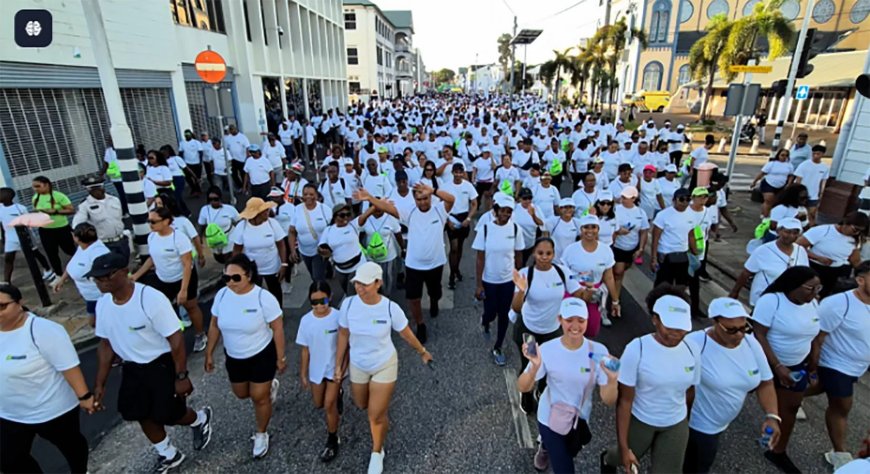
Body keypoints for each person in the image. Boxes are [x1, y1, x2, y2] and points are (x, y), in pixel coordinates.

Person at [90, 253, 213, 473]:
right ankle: (169, 454)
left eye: (106, 276)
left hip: (161, 364)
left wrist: (181, 376)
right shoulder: (102, 305)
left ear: (124, 272)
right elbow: (105, 345)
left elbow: (175, 339)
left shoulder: (150, 299)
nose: (101, 282)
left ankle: (200, 419)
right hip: (132, 368)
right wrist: (100, 383)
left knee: (170, 414)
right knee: (139, 413)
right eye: (97, 278)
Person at [333, 262, 433, 474]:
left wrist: (422, 351)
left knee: (375, 415)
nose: (359, 288)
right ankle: (378, 407)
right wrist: (338, 365)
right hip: (358, 364)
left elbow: (406, 334)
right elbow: (343, 334)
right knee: (361, 403)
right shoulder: (348, 305)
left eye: (365, 284)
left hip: (384, 364)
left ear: (378, 283)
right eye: (357, 283)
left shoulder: (390, 308)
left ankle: (377, 452)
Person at [601, 286, 701, 474]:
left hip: (675, 422)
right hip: (642, 419)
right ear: (655, 320)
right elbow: (624, 401)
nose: (675, 333)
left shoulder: (692, 349)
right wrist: (624, 447)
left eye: (681, 328)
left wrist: (684, 424)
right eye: (669, 327)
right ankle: (607, 459)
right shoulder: (636, 349)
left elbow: (690, 391)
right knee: (621, 458)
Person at [0, 284, 96, 474]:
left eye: (2, 306)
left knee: (71, 445)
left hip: (52, 410)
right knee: (9, 460)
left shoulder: (43, 330)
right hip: (11, 413)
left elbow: (68, 366)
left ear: (19, 303)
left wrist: (84, 396)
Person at [517, 297, 618, 474]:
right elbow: (523, 387)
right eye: (569, 320)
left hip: (579, 418)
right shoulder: (547, 349)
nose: (575, 326)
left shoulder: (598, 351)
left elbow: (608, 400)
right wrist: (534, 367)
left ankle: (545, 447)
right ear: (560, 320)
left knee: (571, 450)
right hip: (549, 417)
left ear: (587, 320)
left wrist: (612, 380)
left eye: (581, 320)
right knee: (564, 467)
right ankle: (547, 445)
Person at [682, 297, 780, 473]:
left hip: (722, 423)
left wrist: (772, 416)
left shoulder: (751, 343)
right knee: (698, 466)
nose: (739, 335)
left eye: (744, 328)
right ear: (715, 323)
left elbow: (766, 383)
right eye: (732, 330)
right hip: (699, 424)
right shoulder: (695, 343)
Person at [204, 254, 285, 459]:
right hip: (234, 357)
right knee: (241, 394)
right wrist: (209, 353)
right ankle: (268, 387)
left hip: (261, 354)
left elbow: (277, 328)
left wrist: (280, 357)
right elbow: (214, 325)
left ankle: (261, 433)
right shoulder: (222, 296)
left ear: (248, 275)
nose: (230, 282)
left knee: (259, 398)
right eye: (226, 278)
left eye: (236, 278)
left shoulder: (263, 298)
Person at [354, 182, 455, 344]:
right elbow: (388, 208)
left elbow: (451, 199)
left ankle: (434, 301)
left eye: (425, 198)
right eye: (419, 199)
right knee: (413, 298)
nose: (423, 202)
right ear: (414, 200)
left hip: (436, 264)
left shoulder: (439, 210)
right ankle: (420, 324)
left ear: (430, 197)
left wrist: (433, 190)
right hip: (414, 265)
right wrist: (370, 198)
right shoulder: (409, 212)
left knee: (435, 292)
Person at [751, 266, 822, 473]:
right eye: (810, 288)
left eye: (818, 288)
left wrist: (813, 363)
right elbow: (759, 334)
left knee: (790, 407)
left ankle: (777, 451)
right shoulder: (771, 301)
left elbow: (813, 335)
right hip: (765, 363)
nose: (814, 293)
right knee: (734, 396)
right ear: (793, 286)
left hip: (796, 365)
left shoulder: (813, 304)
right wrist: (777, 366)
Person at [511, 237, 584, 413]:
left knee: (550, 364)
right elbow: (516, 307)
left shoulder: (562, 272)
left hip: (552, 331)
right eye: (540, 253)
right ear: (534, 253)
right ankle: (526, 394)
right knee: (530, 364)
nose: (544, 257)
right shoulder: (525, 274)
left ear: (553, 254)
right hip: (529, 331)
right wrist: (521, 291)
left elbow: (579, 293)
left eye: (548, 253)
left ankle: (542, 390)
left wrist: (589, 290)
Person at [810, 261, 870, 466]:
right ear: (860, 280)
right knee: (842, 406)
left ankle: (784, 396)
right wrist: (813, 368)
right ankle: (839, 454)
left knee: (817, 388)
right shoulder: (838, 304)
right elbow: (817, 337)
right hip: (835, 363)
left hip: (858, 366)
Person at [131, 206, 207, 352]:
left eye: (153, 221)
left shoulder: (179, 238)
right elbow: (152, 259)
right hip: (163, 279)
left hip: (183, 278)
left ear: (166, 221)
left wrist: (183, 290)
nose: (150, 224)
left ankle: (200, 334)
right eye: (149, 221)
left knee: (191, 307)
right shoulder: (152, 237)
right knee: (163, 310)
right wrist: (137, 275)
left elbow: (187, 264)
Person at [472, 194, 525, 366]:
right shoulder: (485, 229)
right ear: (495, 211)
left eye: (509, 211)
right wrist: (479, 285)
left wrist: (518, 279)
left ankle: (498, 347)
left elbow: (519, 255)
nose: (505, 214)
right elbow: (480, 258)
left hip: (507, 281)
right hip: (489, 280)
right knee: (491, 312)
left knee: (504, 314)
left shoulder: (516, 229)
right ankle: (485, 320)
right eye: (502, 210)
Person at [296, 281, 345, 463]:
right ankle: (338, 394)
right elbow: (305, 350)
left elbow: (345, 346)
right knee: (318, 403)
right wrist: (303, 373)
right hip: (316, 369)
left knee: (328, 405)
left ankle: (332, 439)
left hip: (334, 369)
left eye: (322, 301)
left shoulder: (339, 318)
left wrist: (342, 368)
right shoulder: (306, 321)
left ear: (330, 297)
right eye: (314, 302)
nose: (319, 306)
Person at [560, 214, 620, 333]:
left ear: (598, 229)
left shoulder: (606, 250)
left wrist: (615, 301)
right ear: (581, 229)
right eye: (586, 227)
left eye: (593, 227)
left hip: (594, 295)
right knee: (571, 328)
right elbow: (564, 276)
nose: (590, 231)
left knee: (591, 328)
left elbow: (609, 278)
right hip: (574, 292)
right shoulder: (570, 250)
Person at [730, 218, 808, 306]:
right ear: (778, 231)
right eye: (787, 232)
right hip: (764, 298)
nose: (791, 236)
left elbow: (805, 275)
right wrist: (734, 292)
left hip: (788, 300)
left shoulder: (801, 251)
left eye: (795, 233)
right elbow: (746, 273)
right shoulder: (763, 250)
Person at [51, 223, 111, 327]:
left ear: (76, 238)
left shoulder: (99, 253)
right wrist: (61, 280)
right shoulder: (82, 247)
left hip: (101, 296)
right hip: (89, 296)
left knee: (97, 323)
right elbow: (72, 264)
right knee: (95, 323)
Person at [232, 197, 289, 306]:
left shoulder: (273, 224)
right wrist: (236, 269)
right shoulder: (242, 227)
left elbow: (281, 245)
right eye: (264, 211)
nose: (268, 212)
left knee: (275, 292)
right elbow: (237, 250)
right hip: (252, 269)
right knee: (254, 295)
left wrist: (284, 264)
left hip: (272, 267)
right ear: (256, 214)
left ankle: (278, 312)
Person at [797, 212, 868, 298]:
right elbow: (798, 246)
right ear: (846, 223)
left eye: (860, 231)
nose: (856, 233)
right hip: (814, 267)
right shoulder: (823, 230)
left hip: (834, 273)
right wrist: (818, 258)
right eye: (855, 230)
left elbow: (855, 261)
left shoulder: (855, 240)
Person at [0, 187, 55, 284]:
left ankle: (48, 269)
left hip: (24, 236)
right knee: (8, 258)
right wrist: (4, 239)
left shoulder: (20, 208)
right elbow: (1, 224)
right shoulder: (0, 209)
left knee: (35, 254)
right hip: (10, 238)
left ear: (8, 196)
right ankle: (6, 281)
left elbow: (28, 222)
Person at [72, 176, 129, 262]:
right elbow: (77, 226)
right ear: (88, 190)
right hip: (104, 244)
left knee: (124, 264)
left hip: (122, 241)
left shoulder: (114, 199)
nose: (96, 190)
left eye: (98, 187)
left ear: (103, 186)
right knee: (110, 268)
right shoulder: (84, 205)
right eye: (92, 188)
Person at [31, 176, 76, 279]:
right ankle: (59, 275)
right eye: (34, 187)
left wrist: (56, 211)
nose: (35, 189)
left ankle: (83, 268)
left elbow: (71, 210)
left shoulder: (59, 196)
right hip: (45, 230)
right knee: (51, 253)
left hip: (62, 228)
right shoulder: (35, 198)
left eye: (38, 186)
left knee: (70, 250)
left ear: (46, 185)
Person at [442, 163, 479, 289]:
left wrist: (469, 218)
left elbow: (474, 203)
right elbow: (441, 204)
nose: (458, 175)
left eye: (460, 172)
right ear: (452, 173)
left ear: (463, 173)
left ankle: (456, 269)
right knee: (454, 247)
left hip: (463, 217)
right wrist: (447, 220)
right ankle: (452, 276)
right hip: (451, 217)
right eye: (456, 172)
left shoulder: (468, 186)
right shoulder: (446, 186)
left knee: (460, 247)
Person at [319, 202, 367, 298]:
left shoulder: (354, 225)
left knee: (351, 293)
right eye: (342, 215)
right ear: (335, 217)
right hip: (340, 270)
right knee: (346, 290)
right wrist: (323, 252)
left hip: (357, 266)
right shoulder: (328, 230)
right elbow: (321, 247)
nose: (346, 218)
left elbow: (366, 214)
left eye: (348, 215)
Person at [651, 188, 694, 288]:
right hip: (665, 254)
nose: (685, 203)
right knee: (662, 286)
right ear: (674, 200)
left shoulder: (691, 215)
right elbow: (655, 238)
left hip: (683, 255)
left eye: (688, 199)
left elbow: (691, 235)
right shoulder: (663, 215)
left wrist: (694, 253)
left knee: (681, 285)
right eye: (681, 199)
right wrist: (654, 258)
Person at [358, 201, 403, 294]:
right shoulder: (366, 219)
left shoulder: (390, 218)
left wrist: (403, 248)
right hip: (371, 256)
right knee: (372, 278)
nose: (378, 209)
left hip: (388, 256)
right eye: (375, 207)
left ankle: (386, 296)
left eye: (380, 206)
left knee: (386, 278)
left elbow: (398, 235)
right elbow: (360, 234)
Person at [290, 184, 332, 283]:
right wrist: (293, 250)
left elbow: (332, 229)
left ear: (317, 195)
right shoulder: (297, 209)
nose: (308, 197)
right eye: (305, 194)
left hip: (320, 251)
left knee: (317, 278)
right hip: (304, 251)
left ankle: (323, 291)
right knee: (312, 273)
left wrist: (329, 248)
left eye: (311, 194)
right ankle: (329, 269)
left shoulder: (325, 209)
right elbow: (292, 231)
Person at [612, 186, 649, 299]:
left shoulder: (640, 213)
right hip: (618, 246)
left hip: (632, 247)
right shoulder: (615, 210)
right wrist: (618, 231)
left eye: (626, 198)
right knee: (619, 272)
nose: (623, 199)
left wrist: (641, 248)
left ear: (633, 198)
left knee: (624, 269)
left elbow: (644, 231)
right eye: (622, 197)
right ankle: (615, 298)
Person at [197, 186, 240, 265]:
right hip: (215, 239)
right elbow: (201, 225)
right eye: (210, 199)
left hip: (229, 237)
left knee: (229, 259)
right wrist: (200, 238)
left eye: (215, 199)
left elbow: (239, 221)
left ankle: (228, 270)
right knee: (219, 258)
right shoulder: (205, 210)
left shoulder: (229, 209)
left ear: (220, 198)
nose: (213, 201)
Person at [792, 145, 829, 227]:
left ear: (822, 154)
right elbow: (798, 180)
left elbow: (823, 181)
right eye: (814, 153)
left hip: (814, 195)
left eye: (818, 154)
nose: (815, 156)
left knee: (812, 214)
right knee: (800, 214)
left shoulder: (825, 167)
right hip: (802, 194)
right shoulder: (804, 165)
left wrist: (821, 193)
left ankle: (811, 228)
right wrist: (796, 193)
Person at [751, 149, 794, 218]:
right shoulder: (772, 164)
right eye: (782, 155)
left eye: (786, 156)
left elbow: (791, 176)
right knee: (769, 200)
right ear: (778, 155)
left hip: (781, 186)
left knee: (774, 202)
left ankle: (764, 212)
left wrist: (789, 184)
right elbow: (762, 173)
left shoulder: (789, 165)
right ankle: (765, 217)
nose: (784, 157)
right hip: (768, 184)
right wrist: (754, 182)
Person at [514, 188, 546, 265]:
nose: (528, 201)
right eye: (525, 198)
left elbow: (542, 223)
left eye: (530, 198)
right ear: (520, 199)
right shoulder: (514, 208)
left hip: (530, 243)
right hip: (516, 244)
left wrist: (533, 215)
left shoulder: (536, 208)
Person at [178, 129, 204, 197]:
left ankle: (198, 190)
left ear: (191, 135)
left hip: (197, 163)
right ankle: (194, 189)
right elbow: (180, 153)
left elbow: (201, 153)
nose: (187, 136)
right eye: (186, 135)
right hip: (187, 164)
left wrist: (200, 162)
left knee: (197, 178)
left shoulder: (196, 142)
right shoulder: (182, 143)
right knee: (188, 178)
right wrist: (181, 163)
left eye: (188, 134)